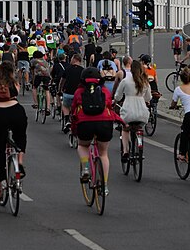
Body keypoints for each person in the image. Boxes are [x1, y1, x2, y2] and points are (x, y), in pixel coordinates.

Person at [70, 67, 122, 196]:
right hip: (104, 123)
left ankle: (86, 167)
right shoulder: (104, 90)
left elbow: (73, 110)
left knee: (82, 145)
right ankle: (104, 186)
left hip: (85, 123)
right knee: (103, 153)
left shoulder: (79, 91)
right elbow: (109, 105)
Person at [0, 61, 28, 202]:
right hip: (16, 111)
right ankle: (19, 161)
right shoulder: (14, 83)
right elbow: (16, 94)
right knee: (20, 137)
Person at [114, 59, 152, 162]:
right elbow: (148, 98)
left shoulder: (126, 81)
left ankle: (126, 151)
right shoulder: (145, 82)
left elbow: (118, 96)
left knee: (125, 129)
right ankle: (139, 146)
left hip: (128, 110)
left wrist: (114, 102)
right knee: (139, 128)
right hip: (142, 112)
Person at [59, 53, 85, 132]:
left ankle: (67, 120)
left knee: (65, 106)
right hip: (79, 94)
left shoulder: (67, 69)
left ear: (75, 59)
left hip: (68, 92)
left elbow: (62, 81)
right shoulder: (83, 70)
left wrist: (60, 89)